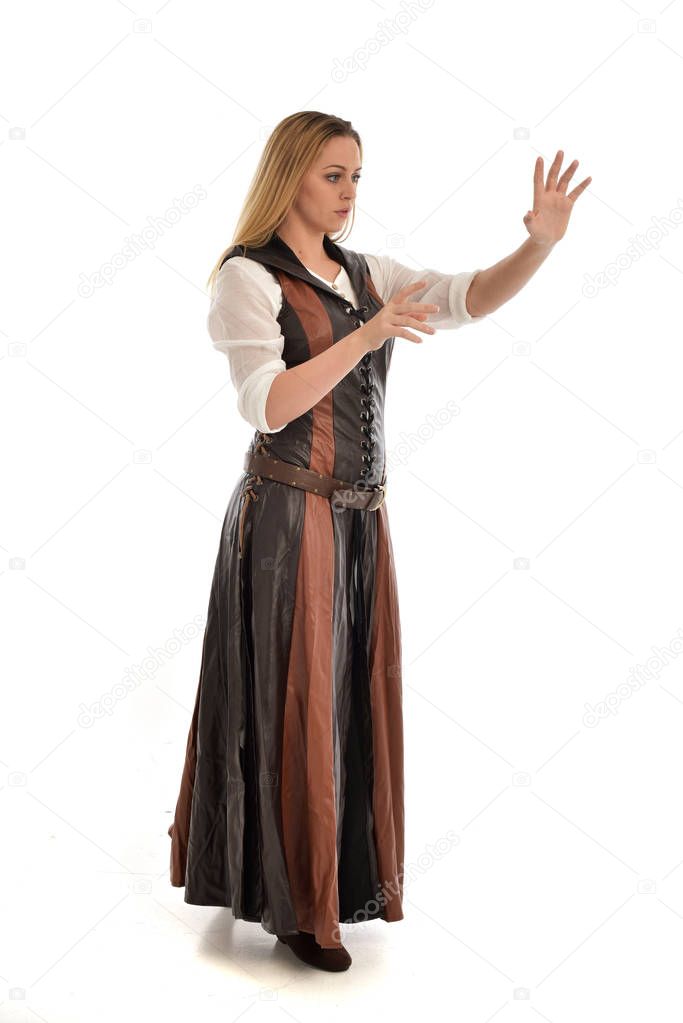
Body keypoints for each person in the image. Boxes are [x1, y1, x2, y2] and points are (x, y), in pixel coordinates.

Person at [167, 111, 591, 972]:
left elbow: (466, 296)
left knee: (346, 699)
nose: (349, 191)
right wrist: (363, 333)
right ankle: (296, 905)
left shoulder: (367, 273)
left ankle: (331, 885)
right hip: (287, 518)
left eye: (356, 175)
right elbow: (267, 404)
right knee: (297, 704)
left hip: (361, 518)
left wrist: (537, 246)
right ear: (289, 175)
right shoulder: (246, 280)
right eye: (332, 174)